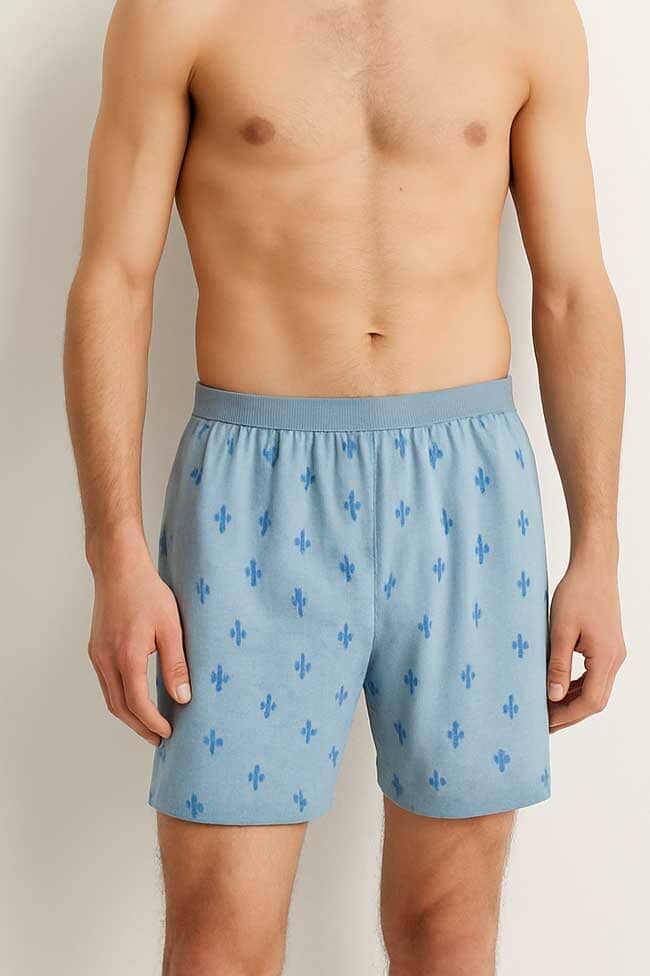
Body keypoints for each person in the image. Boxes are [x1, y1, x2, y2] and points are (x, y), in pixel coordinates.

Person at [64, 1, 626, 973]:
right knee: (217, 938)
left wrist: (599, 549)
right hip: (251, 496)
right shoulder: (178, 11)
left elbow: (572, 291)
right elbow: (113, 279)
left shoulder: (527, 15)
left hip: (467, 500)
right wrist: (112, 548)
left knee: (450, 935)